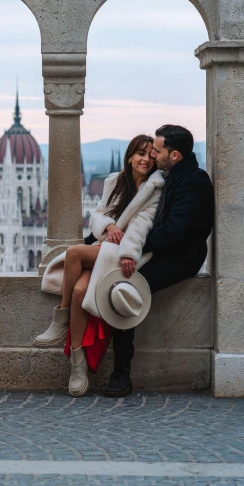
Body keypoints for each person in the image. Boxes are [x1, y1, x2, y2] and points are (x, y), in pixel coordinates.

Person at [34, 135, 164, 396]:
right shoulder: (115, 182)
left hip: (125, 253)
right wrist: (109, 225)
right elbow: (97, 214)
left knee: (73, 253)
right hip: (104, 247)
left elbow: (141, 226)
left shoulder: (155, 189)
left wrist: (127, 251)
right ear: (130, 156)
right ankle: (77, 365)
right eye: (141, 153)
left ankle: (60, 320)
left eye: (151, 155)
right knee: (81, 292)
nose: (146, 159)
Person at [105, 124, 215, 397]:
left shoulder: (193, 181)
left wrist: (137, 246)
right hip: (161, 249)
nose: (152, 154)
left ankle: (121, 374)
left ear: (174, 155)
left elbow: (175, 232)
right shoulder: (171, 175)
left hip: (181, 257)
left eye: (157, 149)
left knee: (127, 291)